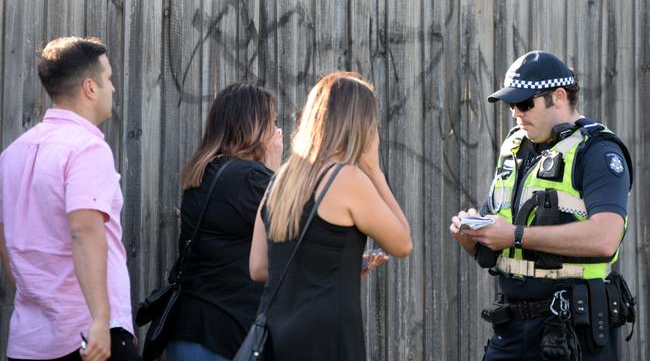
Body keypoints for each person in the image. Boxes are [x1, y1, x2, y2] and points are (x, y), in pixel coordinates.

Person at [449, 51, 634, 360]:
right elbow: (494, 242)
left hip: (574, 332)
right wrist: (470, 233)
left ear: (558, 97)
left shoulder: (598, 152)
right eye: (511, 105)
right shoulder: (515, 148)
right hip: (511, 330)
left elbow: (605, 238)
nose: (515, 114)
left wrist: (515, 235)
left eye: (524, 103)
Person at [250, 71, 413, 360]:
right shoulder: (346, 179)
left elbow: (259, 268)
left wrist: (335, 268)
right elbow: (402, 243)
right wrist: (374, 170)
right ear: (359, 124)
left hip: (276, 334)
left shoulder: (280, 180)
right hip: (326, 337)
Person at [0, 37, 140, 360]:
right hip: (89, 338)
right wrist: (102, 320)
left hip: (29, 341)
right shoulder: (87, 149)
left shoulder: (11, 155)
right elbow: (84, 230)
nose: (113, 89)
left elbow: (7, 243)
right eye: (108, 79)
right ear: (90, 87)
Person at [164, 83, 283, 360]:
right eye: (273, 122)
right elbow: (284, 235)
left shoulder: (204, 173)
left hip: (187, 327)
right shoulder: (251, 179)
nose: (278, 132)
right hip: (224, 335)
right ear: (254, 126)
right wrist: (272, 168)